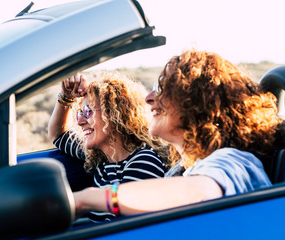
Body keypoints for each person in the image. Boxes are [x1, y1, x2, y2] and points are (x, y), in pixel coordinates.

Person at [73, 49, 285, 217]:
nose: (148, 97)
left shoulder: (232, 161)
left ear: (199, 102)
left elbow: (200, 192)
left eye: (162, 88)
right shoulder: (184, 169)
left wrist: (86, 199)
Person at [48, 72, 169, 222]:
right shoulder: (100, 157)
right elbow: (57, 134)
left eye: (88, 112)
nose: (80, 122)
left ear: (114, 115)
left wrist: (84, 200)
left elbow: (124, 228)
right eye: (80, 113)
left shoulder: (143, 162)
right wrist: (66, 97)